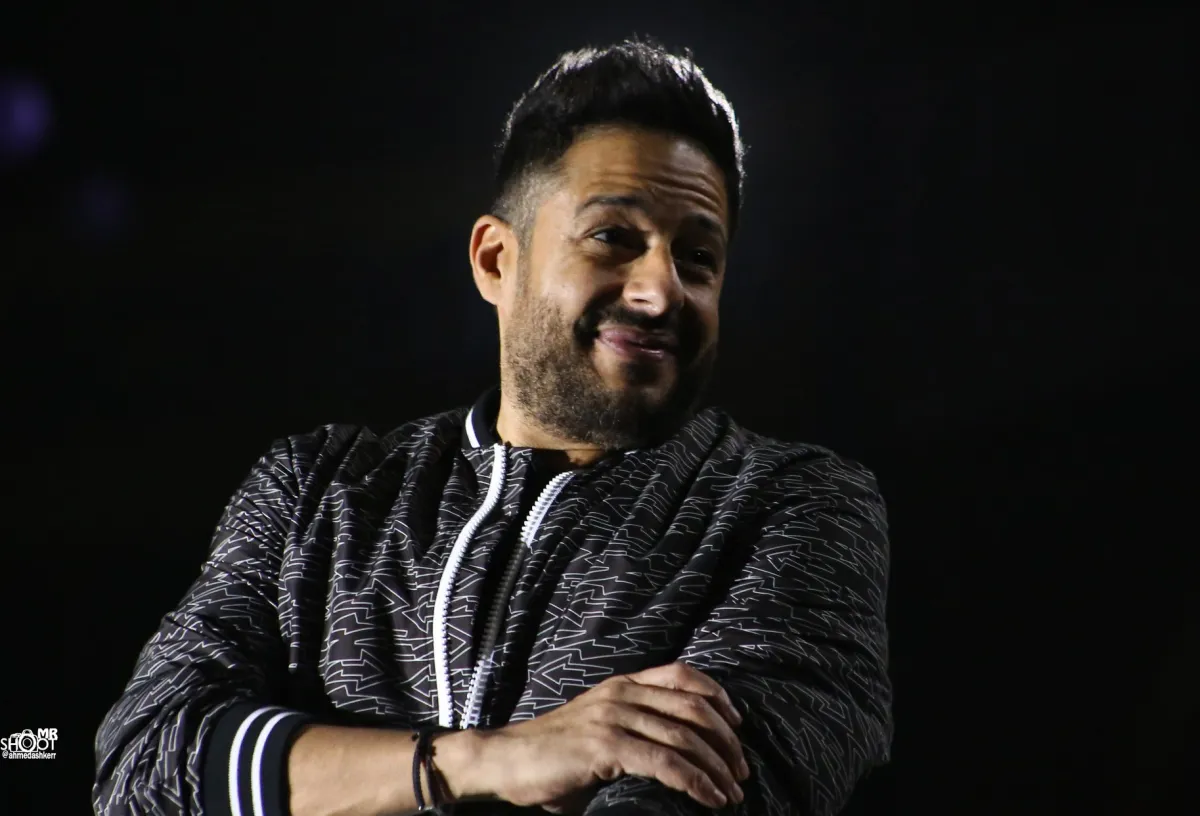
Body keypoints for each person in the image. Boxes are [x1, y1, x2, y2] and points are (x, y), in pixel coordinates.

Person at [93, 37, 892, 816]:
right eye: (613, 238)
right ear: (494, 261)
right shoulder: (315, 491)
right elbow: (146, 765)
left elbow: (701, 788)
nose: (660, 292)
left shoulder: (794, 507)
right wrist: (490, 760)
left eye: (698, 258)